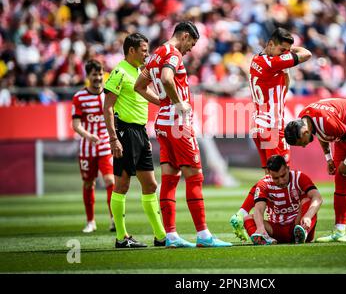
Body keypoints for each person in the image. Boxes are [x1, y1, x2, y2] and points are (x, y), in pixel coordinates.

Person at [134, 21, 231, 248]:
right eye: (192, 44)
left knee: (169, 179)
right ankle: (204, 235)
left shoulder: (156, 54)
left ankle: (171, 235)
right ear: (184, 36)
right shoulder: (173, 53)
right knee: (195, 176)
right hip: (178, 124)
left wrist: (162, 102)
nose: (190, 50)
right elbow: (167, 78)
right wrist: (177, 103)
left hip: (162, 123)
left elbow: (139, 85)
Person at [230, 27, 312, 241]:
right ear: (271, 44)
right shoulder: (272, 62)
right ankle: (276, 224)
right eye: (281, 49)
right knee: (282, 178)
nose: (284, 53)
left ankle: (241, 215)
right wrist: (290, 53)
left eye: (287, 50)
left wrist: (285, 52)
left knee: (268, 179)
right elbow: (307, 54)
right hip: (272, 128)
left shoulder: (258, 59)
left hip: (259, 126)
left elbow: (285, 80)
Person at [284, 98, 346, 242]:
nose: (304, 146)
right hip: (344, 132)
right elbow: (321, 133)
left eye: (301, 143)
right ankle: (339, 230)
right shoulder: (306, 119)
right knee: (340, 177)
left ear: (304, 132)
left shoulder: (327, 122)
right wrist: (328, 157)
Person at [103, 33, 166, 248]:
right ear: (131, 50)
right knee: (122, 185)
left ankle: (160, 236)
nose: (146, 53)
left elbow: (145, 91)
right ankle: (121, 237)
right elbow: (108, 107)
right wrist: (113, 139)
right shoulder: (119, 72)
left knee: (150, 184)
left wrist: (164, 103)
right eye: (143, 50)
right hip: (124, 133)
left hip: (140, 133)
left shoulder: (139, 71)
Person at [71, 59, 115, 233]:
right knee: (89, 183)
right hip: (87, 148)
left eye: (99, 74)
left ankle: (114, 219)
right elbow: (76, 124)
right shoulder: (79, 97)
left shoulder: (109, 95)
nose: (97, 78)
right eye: (94, 75)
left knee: (110, 181)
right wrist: (88, 135)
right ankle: (91, 221)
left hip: (105, 146)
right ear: (87, 76)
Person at [243, 155, 323, 245]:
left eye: (283, 175)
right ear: (269, 173)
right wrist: (260, 227)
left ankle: (302, 233)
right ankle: (265, 238)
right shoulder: (263, 184)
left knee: (307, 201)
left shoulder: (299, 177)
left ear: (287, 168)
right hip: (275, 230)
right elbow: (259, 209)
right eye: (276, 178)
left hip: (297, 224)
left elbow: (318, 197)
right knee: (248, 218)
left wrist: (308, 216)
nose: (281, 181)